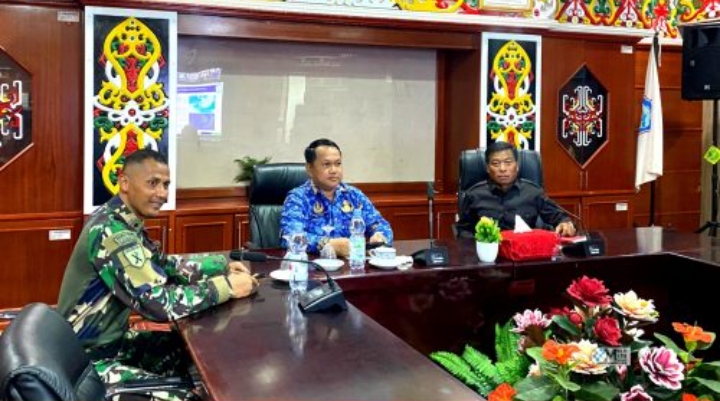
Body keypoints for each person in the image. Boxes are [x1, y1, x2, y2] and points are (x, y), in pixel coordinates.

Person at [57, 149, 258, 399]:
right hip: (87, 365)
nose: (162, 193)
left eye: (166, 185)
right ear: (125, 182)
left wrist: (220, 265)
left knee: (185, 349)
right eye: (152, 183)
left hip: (111, 345)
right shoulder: (112, 232)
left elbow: (163, 265)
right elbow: (158, 304)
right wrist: (226, 287)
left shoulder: (122, 220)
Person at [280, 138, 393, 257]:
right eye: (327, 164)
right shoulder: (298, 198)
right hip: (315, 266)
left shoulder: (353, 195)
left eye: (338, 164)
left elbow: (381, 225)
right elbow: (289, 237)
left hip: (352, 264)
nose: (334, 170)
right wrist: (328, 244)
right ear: (310, 168)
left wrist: (380, 236)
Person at [456, 141, 576, 238]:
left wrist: (565, 224)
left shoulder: (533, 192)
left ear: (517, 166)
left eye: (508, 162)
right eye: (496, 163)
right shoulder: (474, 195)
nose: (502, 169)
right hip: (488, 255)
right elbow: (463, 231)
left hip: (524, 254)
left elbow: (560, 218)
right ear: (487, 168)